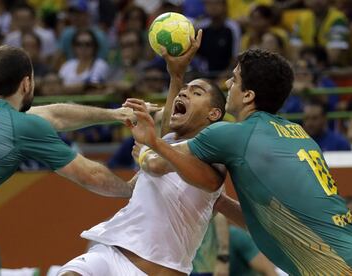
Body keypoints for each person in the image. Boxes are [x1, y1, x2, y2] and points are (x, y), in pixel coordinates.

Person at [124, 48, 352, 275]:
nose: (226, 84)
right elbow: (268, 225)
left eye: (234, 79)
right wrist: (219, 202)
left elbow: (157, 163)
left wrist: (147, 145)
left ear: (248, 95)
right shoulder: (298, 133)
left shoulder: (234, 134)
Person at [0, 45, 142, 274]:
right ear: (27, 83)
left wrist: (114, 115)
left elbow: (54, 114)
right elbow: (90, 175)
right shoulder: (20, 126)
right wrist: (131, 189)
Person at [58, 30, 227, 276]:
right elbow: (168, 134)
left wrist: (150, 151)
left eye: (196, 93)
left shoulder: (215, 151)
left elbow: (165, 162)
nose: (183, 93)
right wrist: (176, 75)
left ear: (213, 114)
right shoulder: (169, 141)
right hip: (110, 254)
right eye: (184, 91)